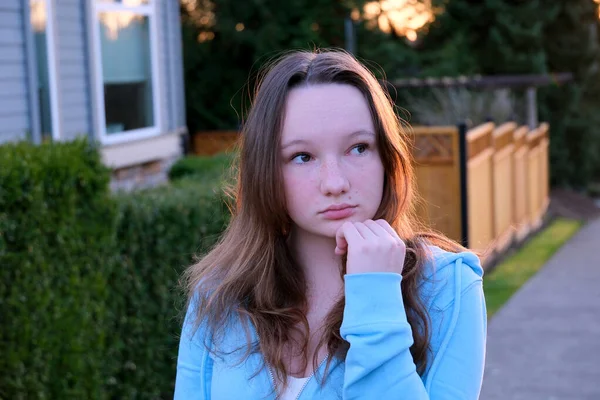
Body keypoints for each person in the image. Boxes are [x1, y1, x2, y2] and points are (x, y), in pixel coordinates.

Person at [174, 49, 486, 400]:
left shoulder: (448, 288)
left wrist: (375, 293)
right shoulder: (220, 291)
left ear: (386, 155)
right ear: (267, 172)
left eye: (358, 148)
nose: (335, 183)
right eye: (302, 157)